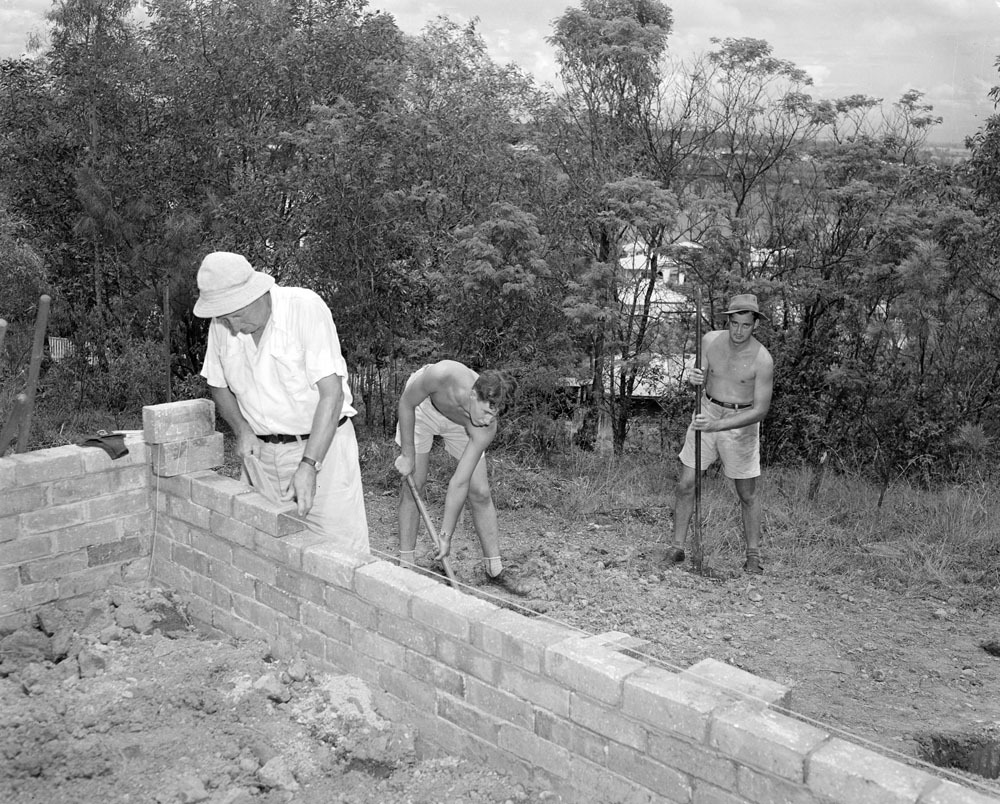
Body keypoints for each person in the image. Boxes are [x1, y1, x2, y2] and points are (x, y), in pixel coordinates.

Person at [193, 251, 369, 553]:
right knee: (269, 550)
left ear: (256, 293)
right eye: (224, 319)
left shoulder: (304, 309)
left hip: (322, 452)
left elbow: (332, 393)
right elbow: (217, 384)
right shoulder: (222, 324)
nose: (232, 328)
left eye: (235, 316)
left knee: (339, 554)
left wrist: (309, 465)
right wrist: (243, 430)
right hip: (263, 457)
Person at [394, 360, 527, 594]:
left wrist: (445, 536)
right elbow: (406, 403)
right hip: (422, 408)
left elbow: (459, 481)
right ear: (474, 394)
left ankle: (494, 569)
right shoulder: (441, 375)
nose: (488, 420)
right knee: (415, 481)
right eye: (487, 412)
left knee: (480, 492)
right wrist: (407, 454)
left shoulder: (484, 426)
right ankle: (406, 565)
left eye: (493, 416)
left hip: (462, 423)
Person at [665, 293, 774, 574]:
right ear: (728, 320)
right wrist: (694, 378)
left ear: (755, 325)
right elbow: (699, 377)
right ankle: (677, 548)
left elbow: (760, 411)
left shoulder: (763, 359)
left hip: (741, 422)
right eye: (734, 323)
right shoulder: (710, 340)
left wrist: (720, 426)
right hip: (707, 411)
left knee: (746, 492)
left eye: (745, 325)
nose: (738, 330)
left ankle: (753, 555)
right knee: (686, 483)